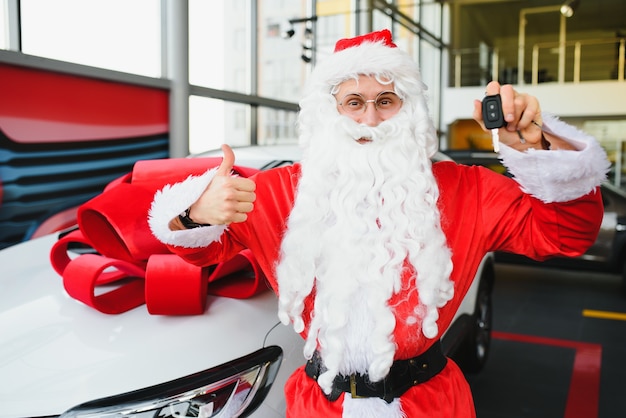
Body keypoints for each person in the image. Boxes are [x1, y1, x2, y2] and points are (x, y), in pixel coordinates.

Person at [148, 29, 609, 418]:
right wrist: (193, 214)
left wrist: (535, 148)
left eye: (386, 100)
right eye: (354, 102)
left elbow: (564, 235)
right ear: (330, 111)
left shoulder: (465, 189)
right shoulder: (278, 191)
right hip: (317, 407)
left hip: (431, 404)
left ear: (408, 108)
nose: (370, 119)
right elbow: (201, 251)